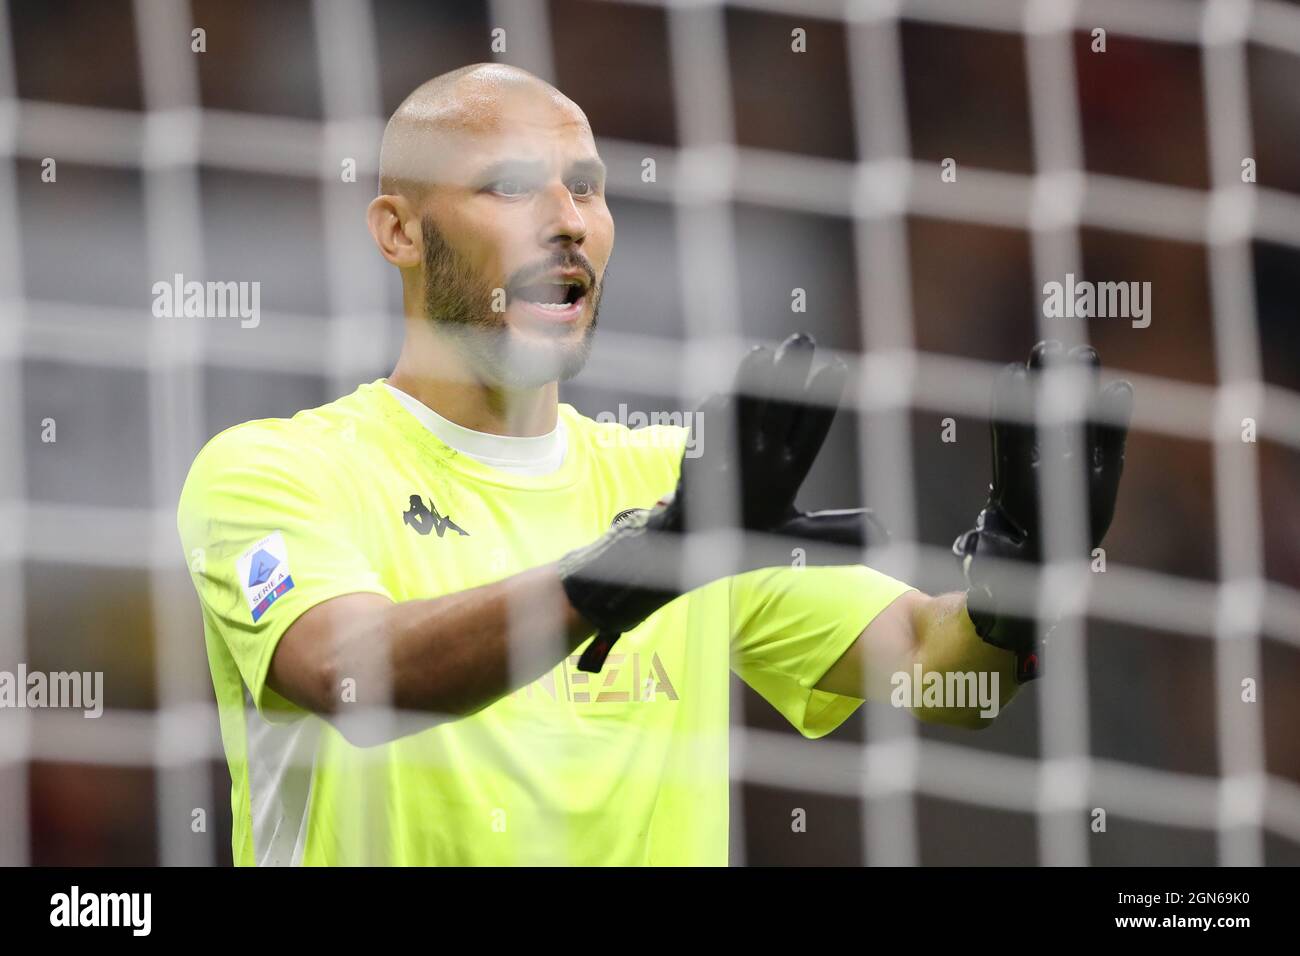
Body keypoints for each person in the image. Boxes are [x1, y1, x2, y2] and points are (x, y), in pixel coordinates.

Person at [177, 63, 1131, 865]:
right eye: (510, 187)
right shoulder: (273, 471)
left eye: (586, 186)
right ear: (399, 232)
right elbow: (358, 674)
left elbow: (935, 671)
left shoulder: (675, 487)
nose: (569, 221)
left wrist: (1015, 590)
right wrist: (643, 564)